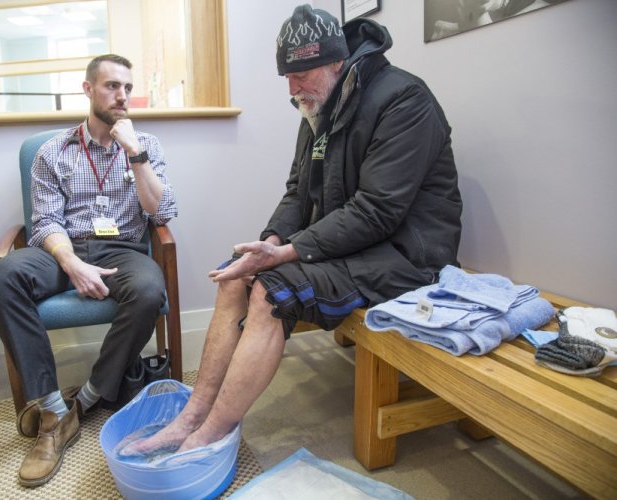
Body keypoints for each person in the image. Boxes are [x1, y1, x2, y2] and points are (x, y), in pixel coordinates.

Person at [123, 4, 462, 457]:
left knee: (270, 290)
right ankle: (191, 415)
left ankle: (210, 435)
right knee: (234, 277)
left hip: (406, 256)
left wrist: (288, 255)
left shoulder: (404, 100)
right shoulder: (318, 104)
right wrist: (271, 242)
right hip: (354, 246)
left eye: (301, 73)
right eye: (287, 75)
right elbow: (298, 194)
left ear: (337, 60)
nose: (292, 87)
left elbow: (379, 211)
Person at [0, 54, 177, 487]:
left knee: (148, 291)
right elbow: (46, 221)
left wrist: (136, 154)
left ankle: (87, 398)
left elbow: (161, 211)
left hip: (124, 248)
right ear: (88, 90)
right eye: (111, 86)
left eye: (126, 87)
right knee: (0, 277)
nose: (121, 95)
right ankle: (52, 408)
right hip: (63, 248)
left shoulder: (146, 144)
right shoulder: (54, 151)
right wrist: (72, 265)